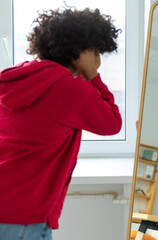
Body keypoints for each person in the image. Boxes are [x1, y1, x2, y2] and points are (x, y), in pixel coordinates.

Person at [0, 7, 122, 239]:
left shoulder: (16, 77)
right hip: (23, 215)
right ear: (84, 52)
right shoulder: (70, 89)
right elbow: (112, 123)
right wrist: (93, 76)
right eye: (96, 52)